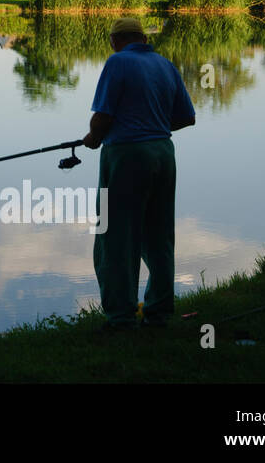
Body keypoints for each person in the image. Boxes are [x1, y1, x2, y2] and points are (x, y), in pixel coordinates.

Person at [82, 17, 195, 330]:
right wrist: (151, 125)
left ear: (114, 40)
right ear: (144, 39)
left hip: (126, 156)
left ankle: (120, 318)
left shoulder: (117, 63)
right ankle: (158, 311)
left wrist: (92, 139)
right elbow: (187, 117)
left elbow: (102, 118)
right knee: (159, 235)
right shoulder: (165, 64)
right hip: (162, 152)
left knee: (115, 236)